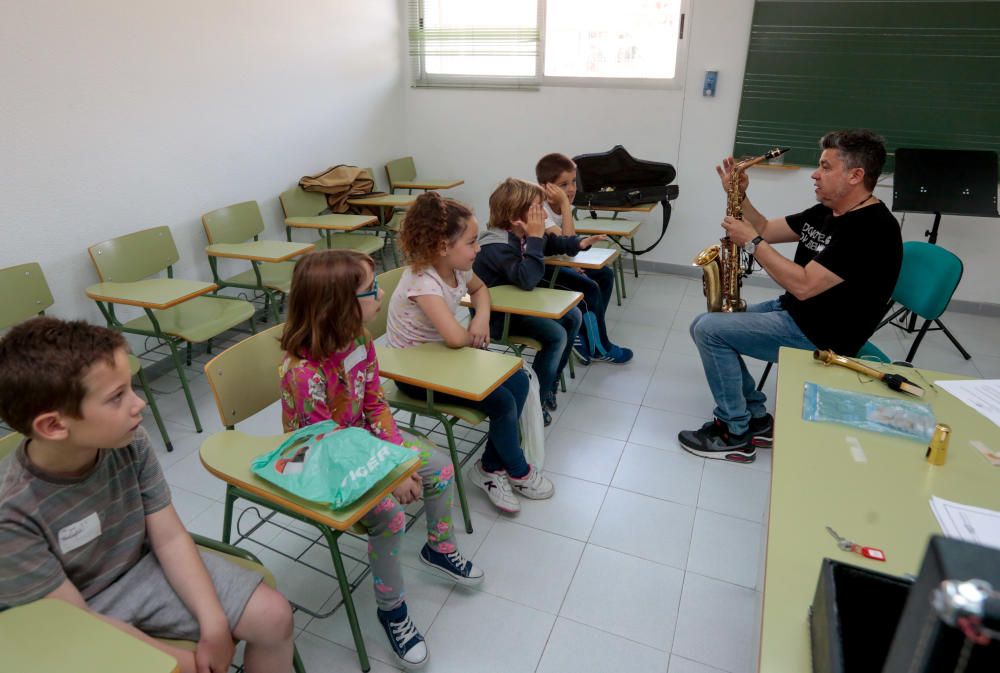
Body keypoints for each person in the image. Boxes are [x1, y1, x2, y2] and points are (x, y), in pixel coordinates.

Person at [0, 317, 295, 673]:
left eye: (131, 387)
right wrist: (176, 661)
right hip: (74, 613)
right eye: (116, 397)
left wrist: (214, 623)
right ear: (54, 426)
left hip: (142, 568)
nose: (138, 404)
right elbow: (73, 619)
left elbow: (169, 538)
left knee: (275, 617)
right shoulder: (11, 513)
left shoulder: (129, 441)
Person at [280, 249, 484, 670]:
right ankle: (392, 611)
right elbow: (327, 446)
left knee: (439, 467)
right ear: (339, 304)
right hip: (316, 456)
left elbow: (375, 405)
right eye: (371, 289)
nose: (382, 293)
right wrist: (391, 477)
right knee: (389, 514)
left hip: (360, 438)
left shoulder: (358, 341)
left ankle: (439, 547)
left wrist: (398, 459)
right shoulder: (302, 373)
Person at [679, 129, 902, 463]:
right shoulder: (828, 210)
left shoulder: (871, 228)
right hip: (797, 313)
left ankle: (734, 433)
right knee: (706, 322)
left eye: (826, 167)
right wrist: (742, 198)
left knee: (710, 331)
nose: (815, 174)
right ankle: (756, 419)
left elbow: (803, 284)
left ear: (856, 175)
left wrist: (751, 243)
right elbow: (768, 229)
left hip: (824, 336)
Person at [386, 191, 554, 513]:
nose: (479, 249)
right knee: (503, 400)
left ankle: (489, 468)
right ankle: (517, 470)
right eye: (472, 242)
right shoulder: (423, 281)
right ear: (443, 247)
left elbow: (481, 291)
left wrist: (481, 316)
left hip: (446, 359)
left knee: (517, 382)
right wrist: (472, 335)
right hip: (415, 373)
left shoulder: (460, 268)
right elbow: (453, 337)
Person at [474, 178, 602, 422]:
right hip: (498, 317)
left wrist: (579, 243)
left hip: (522, 307)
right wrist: (534, 237)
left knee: (573, 315)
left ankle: (548, 384)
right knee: (556, 335)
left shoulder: (521, 234)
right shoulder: (496, 245)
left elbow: (553, 243)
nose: (543, 213)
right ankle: (537, 402)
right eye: (537, 209)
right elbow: (528, 279)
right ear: (515, 218)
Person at [535, 152, 633, 365]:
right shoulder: (540, 211)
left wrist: (573, 264)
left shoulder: (562, 206)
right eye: (563, 184)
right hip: (541, 273)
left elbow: (569, 249)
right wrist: (565, 207)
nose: (571, 189)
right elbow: (568, 245)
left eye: (573, 182)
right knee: (590, 289)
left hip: (558, 264)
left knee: (604, 275)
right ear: (546, 187)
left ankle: (587, 335)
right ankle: (598, 347)